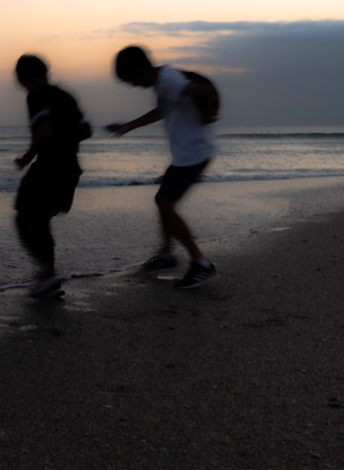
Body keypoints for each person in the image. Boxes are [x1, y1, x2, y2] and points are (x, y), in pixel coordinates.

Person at [107, 45, 219, 290]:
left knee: (165, 204)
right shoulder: (163, 81)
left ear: (139, 70)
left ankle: (201, 264)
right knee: (162, 200)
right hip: (186, 154)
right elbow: (163, 109)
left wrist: (210, 114)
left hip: (194, 153)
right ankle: (167, 254)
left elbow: (203, 89)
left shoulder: (167, 80)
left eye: (130, 80)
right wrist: (129, 126)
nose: (133, 85)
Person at [13, 54, 91, 297]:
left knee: (24, 217)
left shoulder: (35, 95)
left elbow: (44, 130)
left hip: (50, 166)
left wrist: (27, 158)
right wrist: (66, 140)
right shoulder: (65, 95)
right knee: (40, 219)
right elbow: (86, 130)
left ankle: (47, 275)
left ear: (22, 77)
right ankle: (48, 276)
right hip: (70, 167)